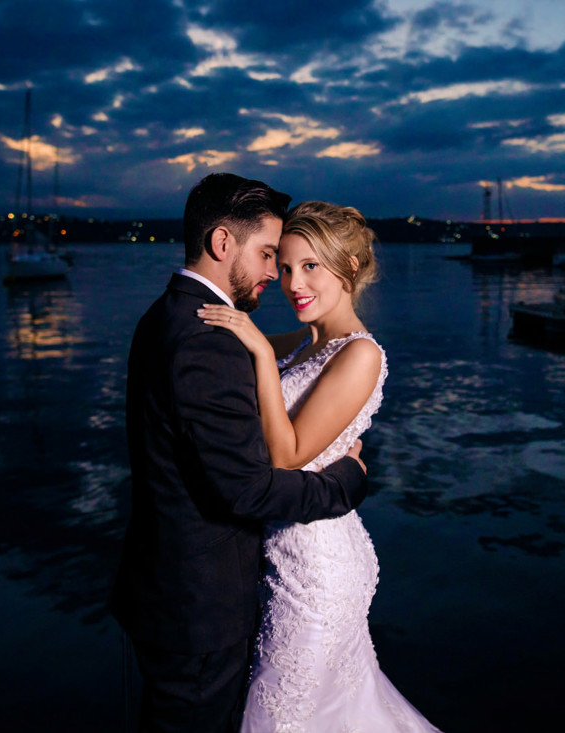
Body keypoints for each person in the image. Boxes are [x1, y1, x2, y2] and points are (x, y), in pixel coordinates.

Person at [111, 174, 370, 733]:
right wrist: (347, 483)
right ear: (223, 243)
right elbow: (247, 488)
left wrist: (255, 342)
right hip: (198, 607)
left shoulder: (167, 315)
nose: (275, 276)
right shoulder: (209, 338)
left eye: (296, 262)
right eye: (270, 256)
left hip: (185, 590)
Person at [199, 201, 441, 732]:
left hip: (320, 571)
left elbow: (288, 456)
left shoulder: (360, 355)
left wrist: (261, 357)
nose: (292, 283)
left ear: (349, 268)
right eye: (284, 267)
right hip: (283, 558)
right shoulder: (304, 345)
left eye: (311, 265)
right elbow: (239, 356)